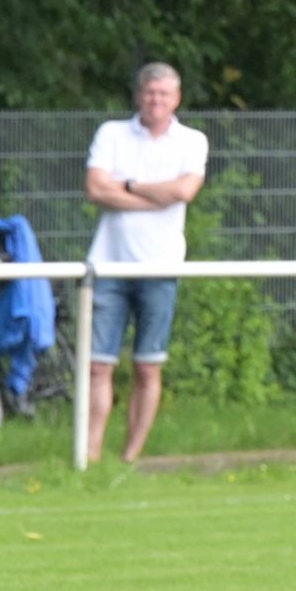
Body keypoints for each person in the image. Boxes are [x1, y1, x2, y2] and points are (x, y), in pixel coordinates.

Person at [83, 63, 208, 463]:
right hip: (107, 267)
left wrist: (129, 185)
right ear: (139, 95)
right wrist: (157, 195)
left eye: (164, 94)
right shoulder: (111, 133)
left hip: (161, 268)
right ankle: (89, 458)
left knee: (147, 368)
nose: (156, 100)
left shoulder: (192, 141)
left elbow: (185, 191)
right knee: (97, 367)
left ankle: (130, 458)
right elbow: (95, 188)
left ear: (178, 98)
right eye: (150, 93)